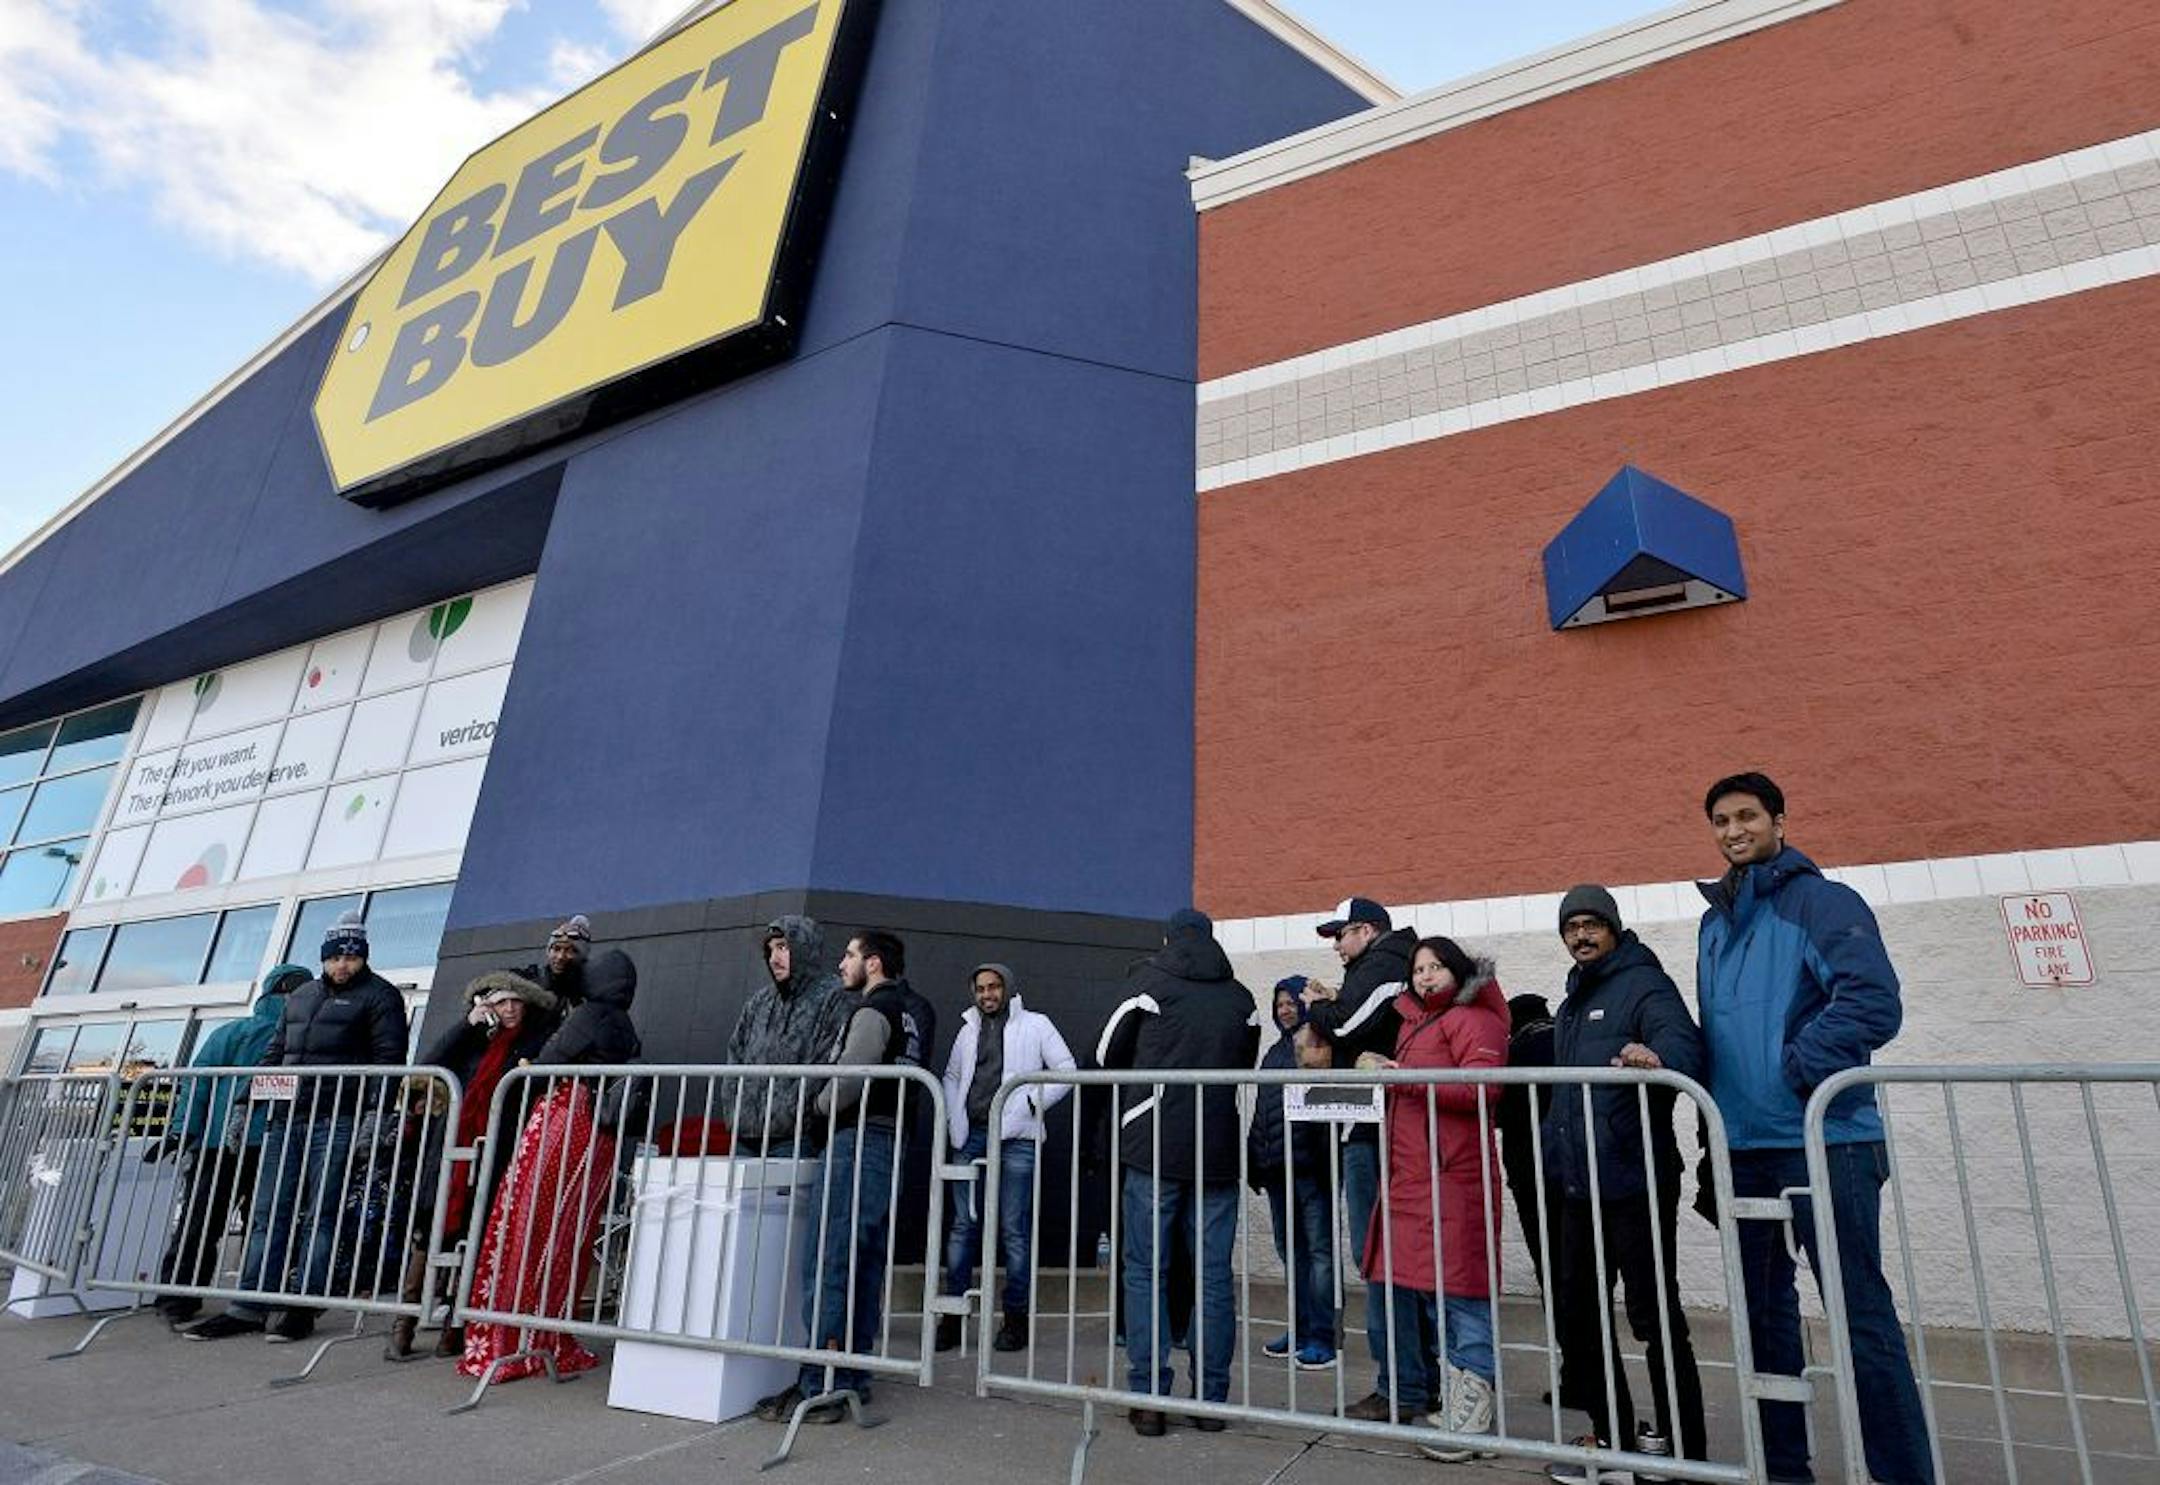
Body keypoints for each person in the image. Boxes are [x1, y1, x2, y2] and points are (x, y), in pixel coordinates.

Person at [1696, 772, 1930, 1485]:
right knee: (1764, 1322)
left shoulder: (1824, 902)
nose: (1734, 830)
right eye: (1721, 821)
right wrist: (1712, 1137)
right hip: (1745, 1147)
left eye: (1747, 816)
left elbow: (1873, 1001)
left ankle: (1903, 1474)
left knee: (1860, 1317)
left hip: (1826, 1141)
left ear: (1779, 822)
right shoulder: (1713, 923)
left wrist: (1797, 1067)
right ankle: (1782, 1470)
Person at [1542, 885, 1708, 1481]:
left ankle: (1685, 1453)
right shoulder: (1573, 996)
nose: (1581, 936)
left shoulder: (1645, 984)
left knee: (1654, 1318)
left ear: (1613, 929)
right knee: (1580, 1317)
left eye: (1592, 924)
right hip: (1578, 1186)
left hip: (1635, 1180)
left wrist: (1657, 1060)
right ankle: (1612, 1440)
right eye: (1571, 927)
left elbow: (1685, 1051)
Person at [183, 913, 408, 1344]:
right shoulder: (302, 996)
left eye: (351, 957)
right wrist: (246, 1102)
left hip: (339, 1119)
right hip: (286, 1119)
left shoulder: (381, 996)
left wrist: (375, 1115)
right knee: (268, 1213)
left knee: (322, 1215)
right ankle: (249, 1305)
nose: (342, 964)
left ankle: (302, 1306)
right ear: (324, 957)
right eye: (335, 957)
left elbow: (389, 1058)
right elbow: (275, 1053)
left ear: (363, 957)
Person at [1095, 909, 1260, 1438]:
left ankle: (1149, 1397)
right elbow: (1244, 1063)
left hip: (1153, 1143)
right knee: (1213, 1277)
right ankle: (1210, 1399)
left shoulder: (1149, 983)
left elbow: (1104, 1051)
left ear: (1168, 940)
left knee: (1147, 1272)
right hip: (1216, 1148)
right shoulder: (1241, 998)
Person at [457, 948, 642, 1384]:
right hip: (599, 1134)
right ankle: (547, 1334)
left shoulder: (589, 1016)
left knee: (523, 1224)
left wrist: (529, 1065)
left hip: (567, 1119)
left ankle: (504, 1337)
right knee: (567, 1236)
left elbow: (548, 1062)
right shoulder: (625, 1025)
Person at [755, 930, 916, 1426]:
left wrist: (817, 1105)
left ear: (874, 963)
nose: (842, 964)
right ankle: (849, 1378)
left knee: (830, 1259)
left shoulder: (873, 1010)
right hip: (887, 1143)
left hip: (857, 1141)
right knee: (861, 1265)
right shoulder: (907, 1013)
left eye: (850, 955)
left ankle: (819, 1385)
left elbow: (850, 1076)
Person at [1360, 935, 1507, 1462]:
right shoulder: (1418, 1023)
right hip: (1421, 1178)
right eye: (1418, 969)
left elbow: (1483, 1088)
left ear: (1458, 970)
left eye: (1436, 966)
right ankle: (1460, 1401)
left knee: (1463, 1295)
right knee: (1437, 1295)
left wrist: (1406, 1079)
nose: (1425, 976)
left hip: (1454, 1176)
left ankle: (1475, 1409)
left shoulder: (1473, 1018)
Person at [387, 970, 557, 1360]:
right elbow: (430, 1065)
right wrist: (468, 1025)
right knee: (430, 1232)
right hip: (450, 1147)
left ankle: (455, 1328)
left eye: (516, 1001)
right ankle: (403, 1326)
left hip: (497, 1150)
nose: (509, 1008)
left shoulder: (534, 1041)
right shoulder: (473, 1039)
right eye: (500, 1001)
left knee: (476, 1234)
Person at [1299, 895, 1417, 1416]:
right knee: (1391, 1261)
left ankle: (1399, 1386)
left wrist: (1317, 1005)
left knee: (1379, 1260)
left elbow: (1347, 1026)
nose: (1336, 947)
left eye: (1340, 935)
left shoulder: (1385, 963)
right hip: (1378, 1128)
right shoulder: (1384, 965)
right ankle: (1410, 1380)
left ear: (1366, 931)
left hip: (1375, 1133)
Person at [143, 963, 310, 1326]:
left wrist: (184, 1130)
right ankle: (259, 1296)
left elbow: (197, 1082)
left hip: (221, 1144)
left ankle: (178, 1296)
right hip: (268, 1144)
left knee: (201, 1222)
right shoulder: (300, 1037)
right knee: (265, 1225)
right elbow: (199, 1082)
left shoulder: (232, 1032)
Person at [937, 961, 1076, 1354]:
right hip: (971, 1136)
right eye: (980, 988)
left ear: (1008, 988)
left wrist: (1030, 1105)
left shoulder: (1036, 1024)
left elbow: (1066, 1069)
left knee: (1014, 1230)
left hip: (1018, 1138)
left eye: (994, 987)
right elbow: (951, 1076)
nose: (987, 995)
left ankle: (1015, 1320)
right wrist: (955, 1119)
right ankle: (953, 1316)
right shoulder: (968, 1029)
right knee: (962, 1227)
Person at [1246, 977, 1338, 1370]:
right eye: (1279, 1003)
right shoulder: (1273, 1053)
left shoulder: (1319, 1043)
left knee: (1319, 1253)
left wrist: (1322, 1159)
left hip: (1311, 1170)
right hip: (1277, 1170)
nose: (1285, 1009)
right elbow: (1263, 1111)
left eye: (1291, 1002)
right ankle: (1299, 1330)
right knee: (1291, 1252)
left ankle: (1324, 1336)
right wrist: (1255, 1159)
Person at [724, 916, 852, 1154]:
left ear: (804, 949)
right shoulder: (759, 1002)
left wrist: (800, 1115)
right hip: (745, 1136)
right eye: (770, 950)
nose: (774, 958)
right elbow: (735, 1057)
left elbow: (828, 1063)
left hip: (796, 1138)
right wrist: (735, 1114)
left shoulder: (834, 997)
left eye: (782, 947)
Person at [1496, 992, 1563, 1291]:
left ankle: (1557, 1311)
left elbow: (1499, 1112)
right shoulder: (1566, 1039)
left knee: (1546, 1253)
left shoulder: (1512, 1051)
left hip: (1528, 1165)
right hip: (1571, 1164)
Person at [512, 914, 594, 1011]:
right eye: (556, 949)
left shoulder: (595, 987)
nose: (560, 957)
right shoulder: (533, 980)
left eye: (569, 951)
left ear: (581, 956)